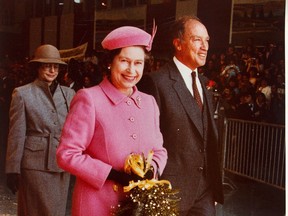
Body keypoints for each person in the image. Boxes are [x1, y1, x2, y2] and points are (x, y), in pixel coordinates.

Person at [56, 25, 167, 216]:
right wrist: (112, 174)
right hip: (97, 205)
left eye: (138, 63)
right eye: (124, 61)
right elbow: (66, 154)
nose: (131, 70)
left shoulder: (149, 103)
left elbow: (159, 150)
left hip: (138, 208)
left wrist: (153, 170)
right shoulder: (89, 98)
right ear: (110, 62)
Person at [138, 15, 224, 215]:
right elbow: (147, 142)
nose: (205, 47)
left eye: (207, 40)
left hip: (205, 193)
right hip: (170, 191)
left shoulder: (204, 83)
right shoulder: (156, 82)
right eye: (197, 40)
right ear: (178, 44)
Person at [5, 44, 75, 215]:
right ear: (37, 67)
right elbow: (16, 133)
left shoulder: (69, 94)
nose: (52, 70)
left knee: (57, 212)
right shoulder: (22, 94)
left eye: (56, 66)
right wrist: (12, 169)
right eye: (47, 65)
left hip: (61, 164)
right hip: (34, 166)